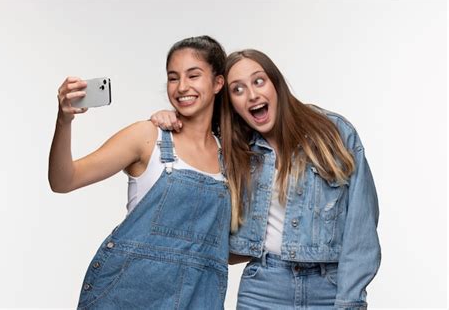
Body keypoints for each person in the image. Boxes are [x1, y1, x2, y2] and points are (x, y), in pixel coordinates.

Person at [151, 49, 381, 309]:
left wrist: (349, 301)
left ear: (276, 84)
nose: (252, 95)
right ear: (232, 103)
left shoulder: (333, 132)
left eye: (258, 81)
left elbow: (361, 226)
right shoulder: (233, 150)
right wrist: (171, 117)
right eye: (237, 89)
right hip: (263, 289)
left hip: (330, 287)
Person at [48, 36, 231, 309]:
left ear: (218, 83)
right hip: (126, 297)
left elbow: (222, 246)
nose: (182, 87)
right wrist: (64, 119)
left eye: (194, 75)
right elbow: (63, 180)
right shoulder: (147, 137)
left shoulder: (230, 159)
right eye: (173, 77)